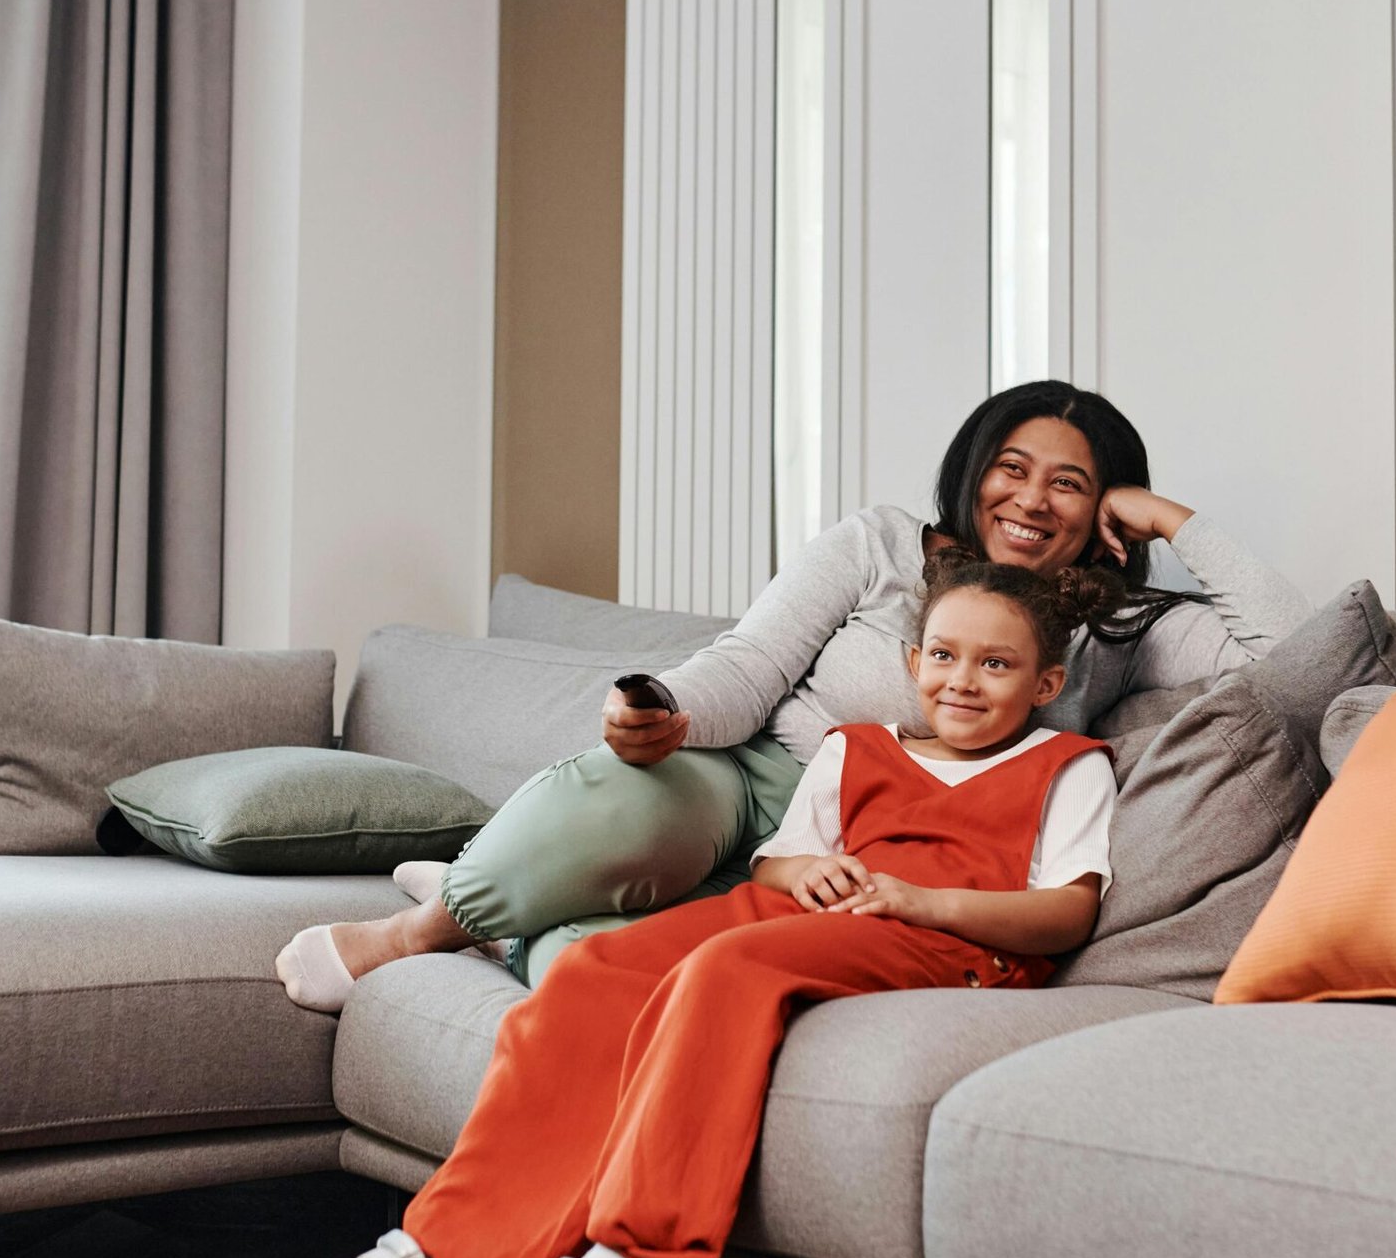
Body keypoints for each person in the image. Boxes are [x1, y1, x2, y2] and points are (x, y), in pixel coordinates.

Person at [261, 554, 1124, 1258]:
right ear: (911, 661)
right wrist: (806, 873)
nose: (962, 680)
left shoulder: (1068, 763)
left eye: (996, 663)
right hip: (806, 915)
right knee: (598, 969)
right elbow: (778, 860)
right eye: (943, 654)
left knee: (724, 972)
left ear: (1047, 682)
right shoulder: (854, 748)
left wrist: (922, 900)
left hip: (948, 939)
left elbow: (1067, 912)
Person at [274, 379, 1310, 1010]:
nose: (1030, 498)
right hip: (762, 779)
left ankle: (509, 915)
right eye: (1011, 467)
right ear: (973, 471)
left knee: (612, 972)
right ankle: (417, 933)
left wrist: (1171, 519)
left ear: (1103, 507)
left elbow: (1305, 659)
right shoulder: (881, 545)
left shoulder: (1117, 626)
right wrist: (670, 710)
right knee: (620, 798)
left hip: (875, 860)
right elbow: (749, 662)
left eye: (1069, 482)